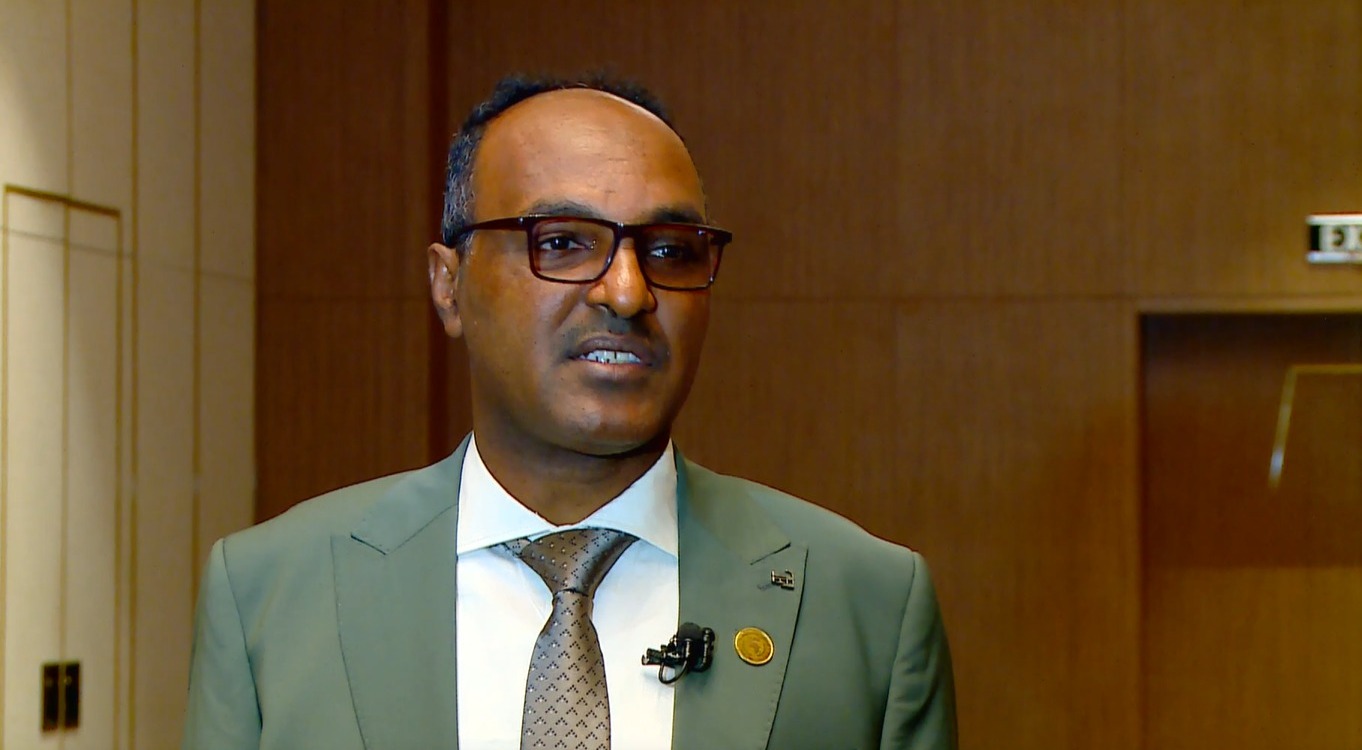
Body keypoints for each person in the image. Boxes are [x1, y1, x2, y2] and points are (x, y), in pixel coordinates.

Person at [183, 73, 957, 750]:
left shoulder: (865, 607)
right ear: (449, 286)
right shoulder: (271, 597)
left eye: (669, 250)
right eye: (560, 243)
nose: (626, 291)